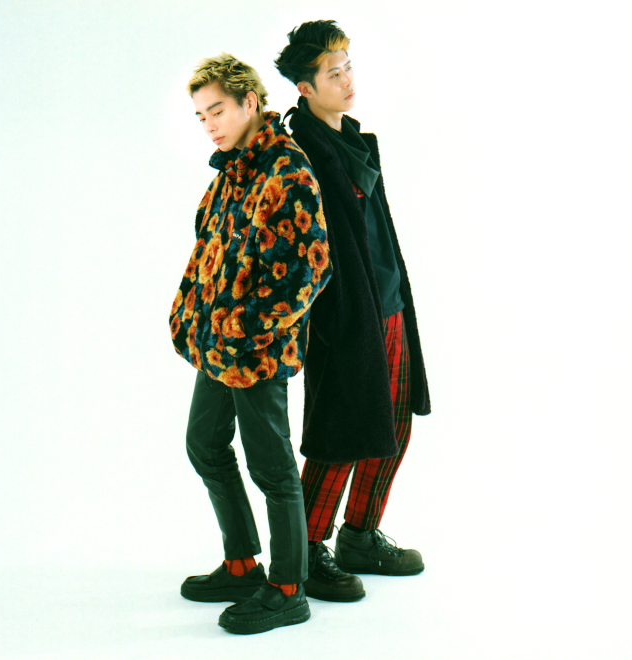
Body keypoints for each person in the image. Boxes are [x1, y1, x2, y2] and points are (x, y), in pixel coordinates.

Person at [169, 53, 331, 633]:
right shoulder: (232, 172)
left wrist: (246, 329)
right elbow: (207, 251)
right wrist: (190, 317)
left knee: (273, 467)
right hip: (218, 346)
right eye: (200, 115)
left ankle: (288, 588)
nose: (208, 124)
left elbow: (310, 270)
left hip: (256, 352)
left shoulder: (287, 171)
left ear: (250, 103)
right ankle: (241, 564)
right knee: (204, 444)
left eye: (217, 110)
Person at [274, 21, 431, 603]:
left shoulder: (355, 140)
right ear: (305, 88)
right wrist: (326, 317)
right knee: (340, 432)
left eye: (348, 68)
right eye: (332, 73)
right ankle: (307, 550)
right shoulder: (299, 152)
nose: (346, 80)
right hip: (344, 317)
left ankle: (360, 536)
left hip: (387, 303)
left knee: (393, 425)